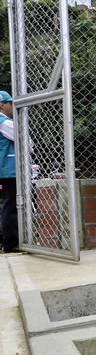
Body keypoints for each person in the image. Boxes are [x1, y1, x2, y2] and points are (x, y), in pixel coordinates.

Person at [0, 91, 19, 254]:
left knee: (9, 205)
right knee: (10, 206)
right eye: (10, 103)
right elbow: (25, 140)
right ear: (2, 105)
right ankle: (12, 243)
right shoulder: (5, 122)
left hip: (7, 169)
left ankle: (11, 241)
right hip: (10, 169)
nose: (12, 106)